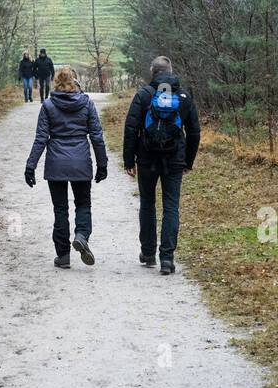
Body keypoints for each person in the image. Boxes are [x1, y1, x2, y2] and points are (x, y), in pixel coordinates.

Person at [122, 56, 200, 276]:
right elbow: (194, 131)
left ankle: (148, 253)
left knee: (147, 203)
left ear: (152, 72)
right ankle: (167, 258)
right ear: (171, 71)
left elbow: (130, 128)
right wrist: (188, 161)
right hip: (174, 160)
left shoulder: (144, 94)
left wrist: (129, 160)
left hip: (146, 159)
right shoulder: (183, 97)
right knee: (171, 206)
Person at [24, 67, 108, 268]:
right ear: (74, 82)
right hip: (80, 162)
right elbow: (96, 136)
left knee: (60, 209)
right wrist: (102, 164)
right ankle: (81, 235)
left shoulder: (48, 105)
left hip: (56, 164)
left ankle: (63, 256)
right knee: (83, 204)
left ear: (55, 83)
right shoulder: (86, 103)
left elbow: (41, 138)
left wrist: (30, 166)